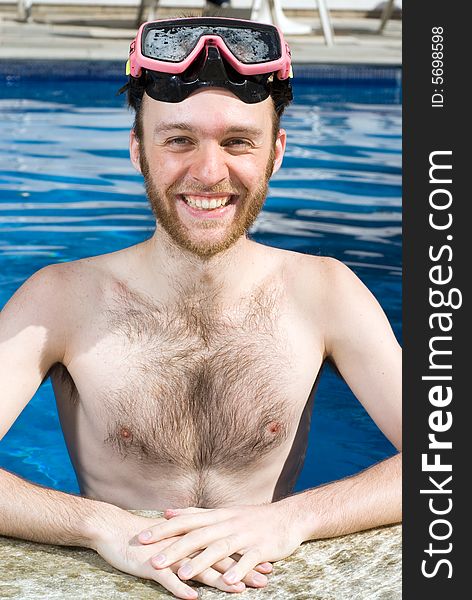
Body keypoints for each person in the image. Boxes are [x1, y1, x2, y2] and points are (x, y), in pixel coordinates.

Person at [0, 16, 402, 600]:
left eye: (238, 141)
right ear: (139, 150)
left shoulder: (325, 293)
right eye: (179, 140)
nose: (209, 173)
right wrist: (100, 527)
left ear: (277, 152)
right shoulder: (61, 299)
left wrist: (292, 519)